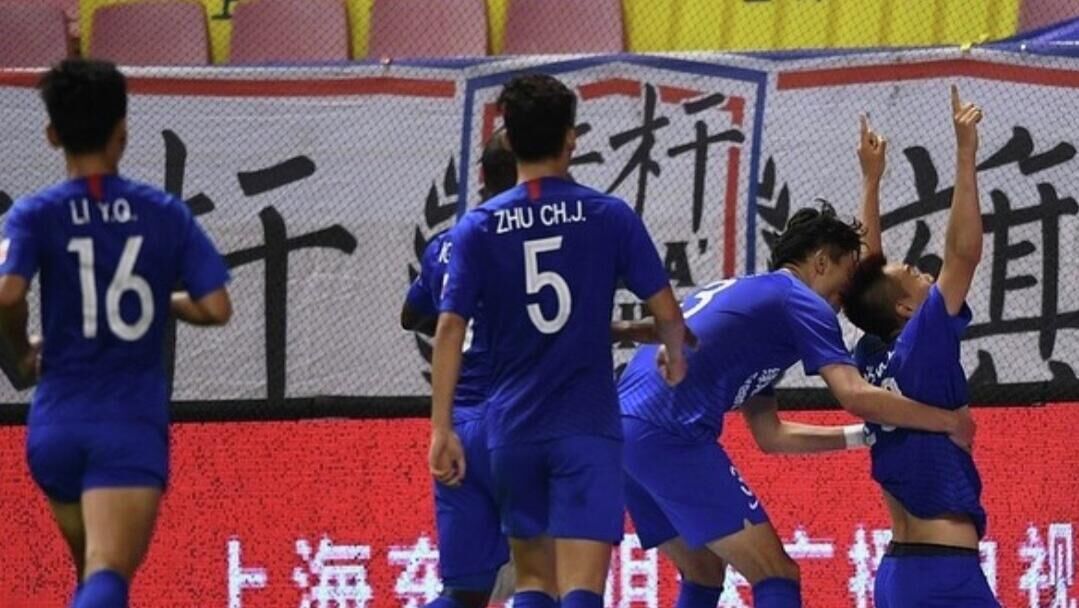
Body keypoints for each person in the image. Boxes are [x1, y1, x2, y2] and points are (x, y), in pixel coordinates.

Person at [618, 200, 977, 606]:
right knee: (777, 574)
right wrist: (948, 421)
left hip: (619, 435)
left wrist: (862, 437)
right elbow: (854, 394)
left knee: (703, 572)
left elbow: (771, 435)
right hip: (667, 431)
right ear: (821, 262)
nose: (848, 295)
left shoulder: (758, 307)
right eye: (848, 275)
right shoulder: (800, 301)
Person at [428, 74, 688, 608]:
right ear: (572, 138)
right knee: (581, 588)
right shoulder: (609, 215)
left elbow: (448, 329)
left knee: (534, 583)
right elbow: (666, 310)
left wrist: (440, 429)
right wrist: (675, 355)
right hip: (586, 426)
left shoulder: (478, 227)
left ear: (509, 139)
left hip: (513, 429)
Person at [0, 59, 232, 607]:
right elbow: (216, 307)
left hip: (55, 423)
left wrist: (20, 351)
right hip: (126, 422)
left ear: (52, 135)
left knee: (91, 576)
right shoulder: (163, 213)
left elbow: (7, 293)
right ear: (122, 131)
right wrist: (161, 301)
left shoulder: (34, 214)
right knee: (107, 573)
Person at [843, 86, 997, 607]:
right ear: (907, 310)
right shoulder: (922, 345)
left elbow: (868, 281)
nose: (926, 273)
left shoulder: (870, 356)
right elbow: (963, 254)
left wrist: (871, 180)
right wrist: (965, 152)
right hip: (943, 577)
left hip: (897, 574)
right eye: (915, 273)